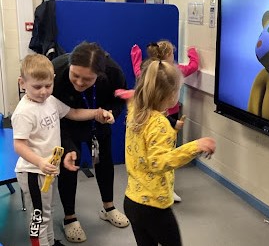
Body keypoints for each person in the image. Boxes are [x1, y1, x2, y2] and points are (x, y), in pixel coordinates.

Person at [12, 54, 114, 246]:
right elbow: (19, 145)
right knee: (38, 216)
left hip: (48, 170)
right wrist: (40, 162)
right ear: (22, 83)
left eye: (48, 86)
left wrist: (98, 113)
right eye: (37, 87)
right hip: (33, 172)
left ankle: (49, 242)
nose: (43, 92)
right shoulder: (24, 112)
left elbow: (73, 113)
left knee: (47, 210)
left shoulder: (50, 101)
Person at [120, 58, 216, 246]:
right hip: (154, 207)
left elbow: (134, 99)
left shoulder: (136, 111)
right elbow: (158, 162)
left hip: (132, 201)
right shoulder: (159, 123)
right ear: (171, 95)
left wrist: (131, 95)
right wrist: (195, 146)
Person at [51, 42, 129, 243]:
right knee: (69, 168)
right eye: (75, 76)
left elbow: (120, 100)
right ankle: (70, 218)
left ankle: (109, 207)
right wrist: (67, 146)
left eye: (87, 79)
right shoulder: (56, 71)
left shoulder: (113, 72)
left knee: (105, 162)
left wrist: (111, 113)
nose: (78, 82)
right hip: (66, 124)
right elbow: (51, 114)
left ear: (100, 75)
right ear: (69, 66)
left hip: (98, 120)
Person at [131, 40, 200, 201]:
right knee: (165, 154)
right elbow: (193, 66)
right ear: (169, 55)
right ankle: (166, 189)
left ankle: (161, 186)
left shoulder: (147, 72)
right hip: (167, 119)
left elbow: (137, 70)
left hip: (166, 119)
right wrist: (192, 51)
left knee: (155, 154)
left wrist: (136, 55)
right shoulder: (175, 70)